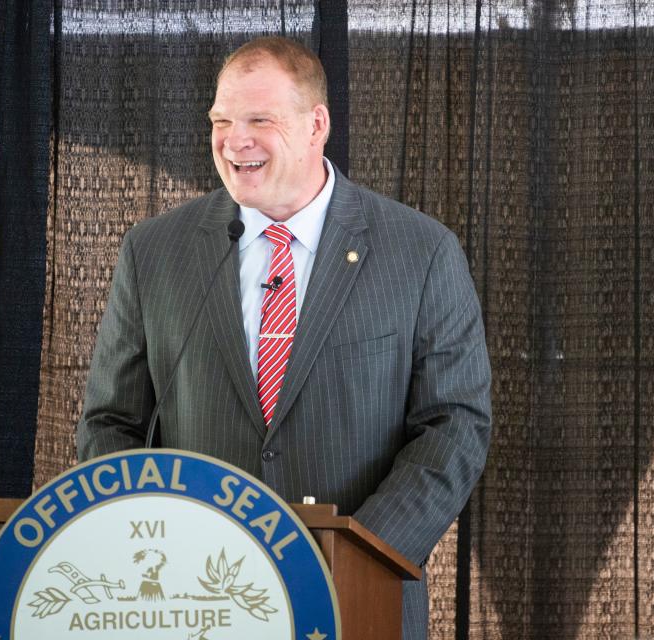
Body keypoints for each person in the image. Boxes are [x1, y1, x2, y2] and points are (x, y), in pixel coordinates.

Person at [76, 36, 491, 640]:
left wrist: (359, 554)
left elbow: (455, 424)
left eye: (258, 120)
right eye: (221, 121)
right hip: (194, 601)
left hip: (358, 597)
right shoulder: (155, 251)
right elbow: (110, 423)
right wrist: (162, 542)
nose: (233, 140)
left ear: (316, 123)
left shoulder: (421, 251)